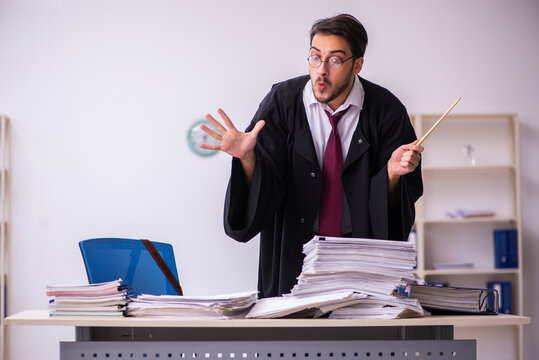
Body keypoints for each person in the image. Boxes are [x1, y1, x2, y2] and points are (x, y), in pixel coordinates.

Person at [201, 14, 423, 298]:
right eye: (315, 57)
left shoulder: (386, 110)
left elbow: (400, 204)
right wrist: (247, 159)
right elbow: (264, 188)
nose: (321, 71)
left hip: (361, 258)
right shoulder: (281, 102)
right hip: (294, 256)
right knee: (294, 340)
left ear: (357, 64)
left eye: (335, 60)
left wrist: (391, 176)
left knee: (362, 339)